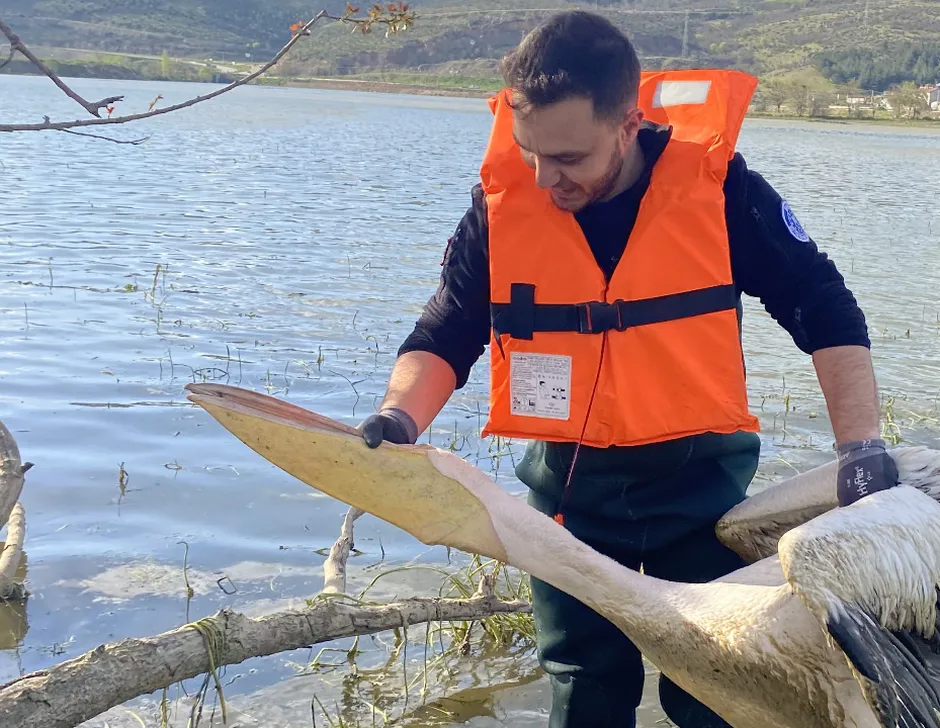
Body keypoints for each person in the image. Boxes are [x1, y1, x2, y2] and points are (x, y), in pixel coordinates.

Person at [358, 10, 899, 728]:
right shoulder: (500, 208)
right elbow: (446, 331)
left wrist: (860, 451)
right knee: (584, 684)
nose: (547, 179)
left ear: (628, 122)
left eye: (570, 159)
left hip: (702, 498)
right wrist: (399, 417)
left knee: (712, 694)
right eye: (531, 153)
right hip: (569, 498)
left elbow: (824, 308)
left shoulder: (722, 190)